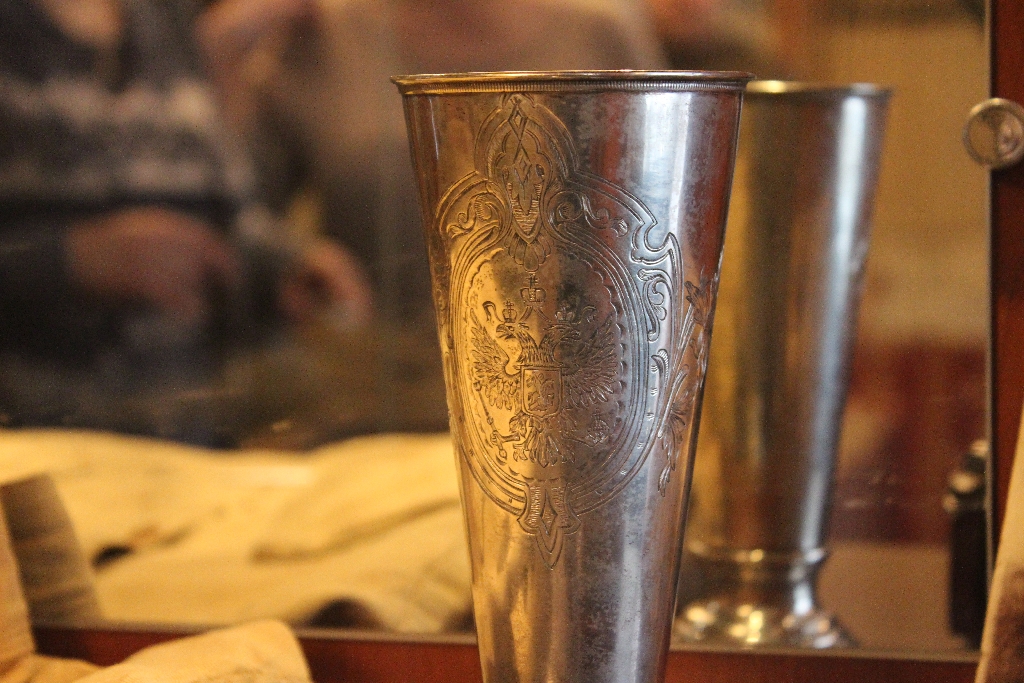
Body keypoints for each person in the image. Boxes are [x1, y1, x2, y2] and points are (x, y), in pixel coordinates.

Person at [196, 0, 667, 434]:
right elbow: (238, 216)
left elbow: (659, 232)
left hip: (565, 413)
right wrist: (221, 52)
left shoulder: (600, 33)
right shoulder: (319, 35)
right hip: (357, 414)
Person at [0, 0, 371, 444]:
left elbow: (219, 207)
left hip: (191, 444)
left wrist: (281, 264)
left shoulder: (163, 19)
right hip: (38, 450)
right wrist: (69, 261)